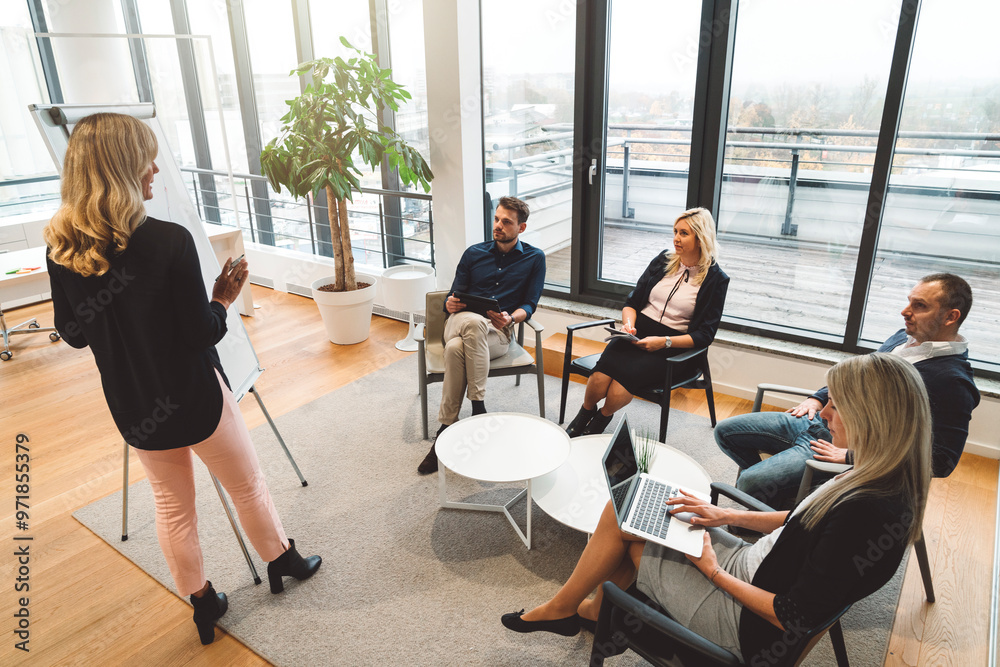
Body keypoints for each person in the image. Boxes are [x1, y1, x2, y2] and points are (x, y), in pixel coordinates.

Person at [44, 113, 321, 646]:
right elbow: (200, 333)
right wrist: (222, 299)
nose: (154, 168)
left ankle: (204, 604)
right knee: (247, 484)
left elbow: (74, 335)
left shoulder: (63, 250)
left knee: (172, 507)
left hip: (133, 404)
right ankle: (281, 560)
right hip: (196, 397)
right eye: (145, 158)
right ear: (122, 167)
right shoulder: (168, 241)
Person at [502, 353, 930, 664]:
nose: (825, 416)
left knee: (627, 527)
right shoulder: (876, 469)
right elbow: (805, 521)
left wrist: (711, 570)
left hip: (745, 621)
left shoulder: (869, 512)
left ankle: (573, 611)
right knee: (642, 508)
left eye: (836, 406)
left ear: (871, 417)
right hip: (756, 564)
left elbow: (794, 616)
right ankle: (594, 612)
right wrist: (726, 515)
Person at [715, 273, 980, 508]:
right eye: (909, 301)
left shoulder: (952, 382)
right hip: (817, 421)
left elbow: (942, 460)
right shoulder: (903, 338)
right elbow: (852, 378)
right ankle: (788, 498)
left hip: (842, 445)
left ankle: (784, 505)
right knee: (725, 433)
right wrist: (817, 399)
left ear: (951, 316)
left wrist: (851, 456)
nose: (905, 311)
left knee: (749, 483)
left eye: (919, 306)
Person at [564, 207, 729, 438]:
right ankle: (584, 413)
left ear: (700, 239)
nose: (676, 238)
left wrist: (664, 342)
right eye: (675, 231)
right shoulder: (663, 260)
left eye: (684, 233)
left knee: (621, 384)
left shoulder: (716, 280)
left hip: (672, 348)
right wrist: (629, 325)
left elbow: (705, 335)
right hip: (636, 334)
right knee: (600, 376)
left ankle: (601, 419)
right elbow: (632, 302)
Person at [417, 195, 545, 474]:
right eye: (497, 219)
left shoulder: (535, 258)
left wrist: (511, 317)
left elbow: (530, 305)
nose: (498, 225)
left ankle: (445, 428)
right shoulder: (474, 253)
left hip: (497, 332)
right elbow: (453, 296)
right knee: (472, 324)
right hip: (459, 323)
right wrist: (449, 302)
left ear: (521, 228)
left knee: (454, 351)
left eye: (506, 222)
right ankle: (478, 407)